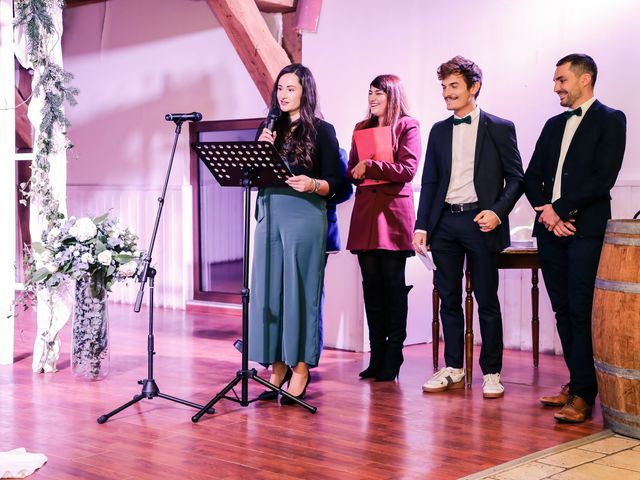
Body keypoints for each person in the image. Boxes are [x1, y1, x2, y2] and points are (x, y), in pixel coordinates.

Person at [524, 54, 626, 423]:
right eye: (555, 81)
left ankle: (585, 394)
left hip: (585, 231)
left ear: (585, 79)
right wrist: (547, 213)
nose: (556, 87)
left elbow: (603, 178)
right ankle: (577, 382)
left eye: (562, 80)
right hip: (551, 231)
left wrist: (561, 209)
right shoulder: (553, 125)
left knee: (582, 310)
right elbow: (530, 177)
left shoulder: (612, 120)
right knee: (562, 310)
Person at [414, 56, 523, 398]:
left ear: (474, 87)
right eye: (443, 87)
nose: (447, 93)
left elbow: (516, 178)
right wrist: (422, 225)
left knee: (486, 299)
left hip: (481, 222)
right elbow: (430, 181)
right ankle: (454, 368)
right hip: (444, 222)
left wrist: (497, 213)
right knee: (447, 298)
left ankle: (491, 371)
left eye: (454, 86)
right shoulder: (438, 130)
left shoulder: (500, 127)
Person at [249, 63, 341, 405]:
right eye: (280, 89)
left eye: (291, 88)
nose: (283, 95)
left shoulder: (322, 130)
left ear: (305, 91)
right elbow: (251, 174)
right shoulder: (268, 128)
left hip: (304, 214)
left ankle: (300, 366)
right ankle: (276, 365)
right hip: (269, 213)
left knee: (300, 292)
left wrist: (314, 183)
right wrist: (261, 148)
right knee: (269, 289)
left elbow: (340, 181)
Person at [346, 74, 421, 381]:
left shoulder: (408, 125)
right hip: (366, 214)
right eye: (370, 93)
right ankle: (376, 355)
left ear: (393, 96)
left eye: (379, 93)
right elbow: (353, 170)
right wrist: (357, 170)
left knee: (392, 287)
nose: (373, 98)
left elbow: (408, 169)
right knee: (371, 288)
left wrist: (372, 166)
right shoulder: (360, 128)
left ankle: (394, 355)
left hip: (392, 215)